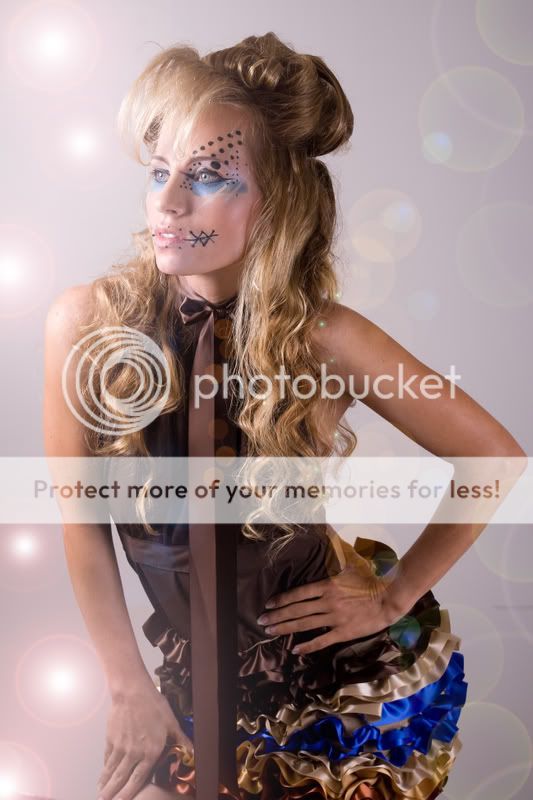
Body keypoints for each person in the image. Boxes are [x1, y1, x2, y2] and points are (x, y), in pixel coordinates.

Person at [43, 32, 526, 800]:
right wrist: (127, 685)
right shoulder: (86, 325)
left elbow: (494, 457)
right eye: (159, 171)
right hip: (189, 682)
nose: (168, 200)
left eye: (207, 177)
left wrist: (393, 593)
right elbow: (81, 522)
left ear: (276, 198)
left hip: (335, 693)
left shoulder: (324, 338)